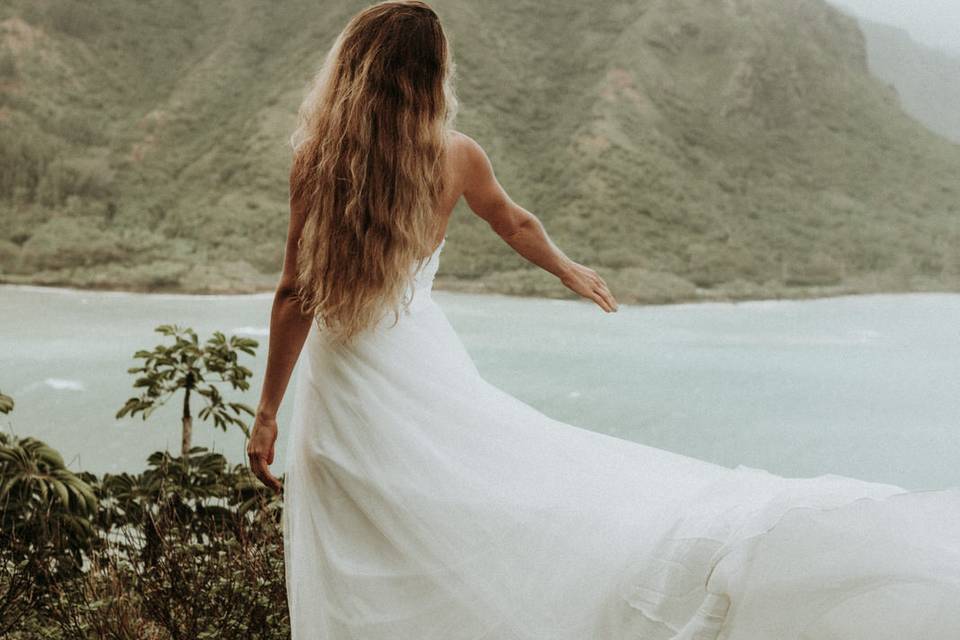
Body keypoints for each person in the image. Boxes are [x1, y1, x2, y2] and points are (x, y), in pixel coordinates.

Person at [247, 2, 960, 638]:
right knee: (469, 496)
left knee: (360, 527)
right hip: (422, 360)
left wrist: (269, 412)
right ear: (430, 76)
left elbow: (293, 295)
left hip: (345, 382)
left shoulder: (316, 162)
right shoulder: (456, 157)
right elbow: (514, 221)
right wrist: (567, 269)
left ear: (353, 71)